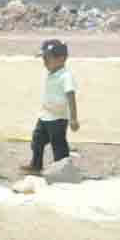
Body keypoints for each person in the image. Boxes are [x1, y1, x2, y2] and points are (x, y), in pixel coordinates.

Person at [22, 40, 80, 175]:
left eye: (47, 58)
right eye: (43, 59)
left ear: (62, 59)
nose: (44, 62)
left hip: (58, 118)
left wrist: (73, 118)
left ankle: (64, 169)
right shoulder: (50, 73)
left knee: (58, 144)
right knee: (37, 140)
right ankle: (36, 164)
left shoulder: (66, 76)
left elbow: (71, 96)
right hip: (45, 115)